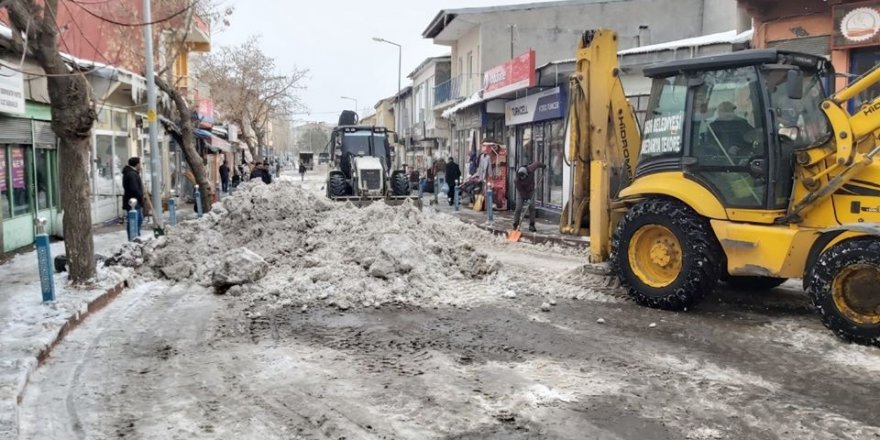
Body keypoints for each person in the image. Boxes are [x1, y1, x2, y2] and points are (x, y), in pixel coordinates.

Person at [513, 161, 546, 233]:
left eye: (523, 177)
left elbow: (537, 164)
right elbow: (521, 192)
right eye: (521, 177)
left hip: (531, 191)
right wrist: (527, 199)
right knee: (518, 208)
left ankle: (532, 225)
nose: (522, 178)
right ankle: (515, 224)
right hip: (521, 193)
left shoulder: (530, 168)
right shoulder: (517, 180)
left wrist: (543, 166)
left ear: (526, 174)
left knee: (532, 208)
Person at [122, 157, 145, 231]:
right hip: (134, 201)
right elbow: (134, 189)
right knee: (135, 221)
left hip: (133, 200)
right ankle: (133, 238)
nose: (141, 165)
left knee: (137, 220)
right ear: (137, 164)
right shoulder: (132, 174)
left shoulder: (132, 173)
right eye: (140, 163)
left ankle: (135, 237)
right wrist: (141, 195)